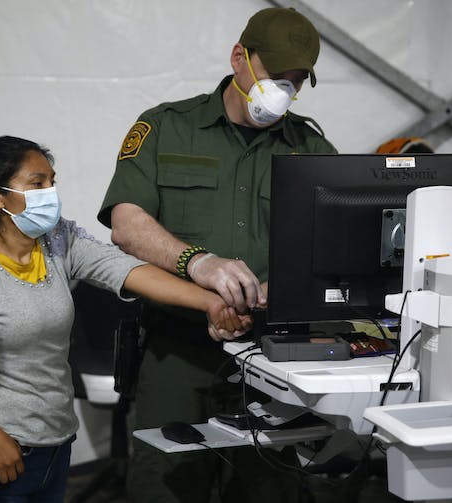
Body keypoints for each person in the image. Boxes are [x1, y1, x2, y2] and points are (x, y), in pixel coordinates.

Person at [0, 135, 251, 502]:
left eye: (52, 181)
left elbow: (125, 269)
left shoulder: (58, 240)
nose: (51, 193)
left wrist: (210, 302)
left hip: (57, 442)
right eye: (37, 184)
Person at [97, 7, 338, 502]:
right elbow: (127, 224)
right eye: (275, 76)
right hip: (177, 354)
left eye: (295, 82)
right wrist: (199, 265)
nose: (283, 92)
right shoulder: (166, 127)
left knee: (264, 486)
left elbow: (334, 249)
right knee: (166, 486)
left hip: (272, 359)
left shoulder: (310, 149)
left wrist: (287, 290)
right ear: (239, 58)